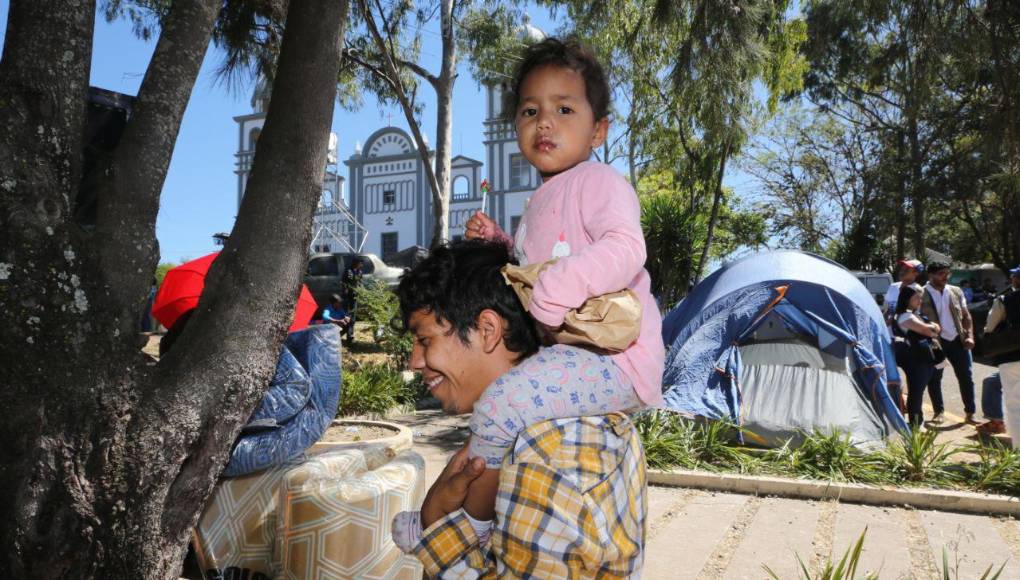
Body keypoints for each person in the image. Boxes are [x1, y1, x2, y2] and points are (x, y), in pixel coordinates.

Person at [461, 37, 664, 524]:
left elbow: (625, 247)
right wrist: (503, 245)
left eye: (564, 109)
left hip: (618, 358)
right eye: (530, 111)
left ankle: (471, 527)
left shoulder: (599, 181)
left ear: (598, 131)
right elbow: (541, 266)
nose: (544, 122)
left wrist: (554, 292)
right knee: (519, 432)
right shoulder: (540, 200)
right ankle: (508, 517)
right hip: (575, 354)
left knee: (499, 406)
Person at [391, 240, 647, 577]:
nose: (414, 362)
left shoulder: (543, 460)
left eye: (425, 340)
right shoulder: (544, 431)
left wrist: (435, 524)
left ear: (487, 330)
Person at [921, 261, 977, 424]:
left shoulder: (956, 291)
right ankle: (938, 411)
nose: (946, 277)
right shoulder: (920, 292)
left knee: (966, 377)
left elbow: (966, 316)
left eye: (947, 273)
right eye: (941, 274)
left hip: (957, 341)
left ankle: (970, 413)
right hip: (936, 343)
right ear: (931, 275)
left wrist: (969, 336)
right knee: (934, 378)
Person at [976, 265, 1020, 436]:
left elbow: (990, 329)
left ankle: (1017, 454)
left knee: (1015, 405)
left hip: (1011, 358)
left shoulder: (1004, 300)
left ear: (1015, 280)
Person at [893, 284, 942, 427]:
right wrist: (932, 328)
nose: (919, 301)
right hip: (916, 358)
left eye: (920, 298)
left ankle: (916, 421)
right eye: (916, 298)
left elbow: (934, 328)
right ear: (907, 299)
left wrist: (932, 328)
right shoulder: (905, 316)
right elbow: (928, 330)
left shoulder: (914, 314)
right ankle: (915, 423)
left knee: (918, 390)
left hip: (922, 357)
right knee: (916, 391)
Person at [341, 258, 363, 345]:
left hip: (355, 297)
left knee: (352, 318)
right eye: (360, 263)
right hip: (347, 297)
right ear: (356, 263)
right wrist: (345, 291)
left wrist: (360, 291)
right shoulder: (348, 271)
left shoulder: (360, 272)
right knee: (347, 317)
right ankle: (343, 334)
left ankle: (349, 337)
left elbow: (360, 283)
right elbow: (343, 283)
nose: (361, 265)